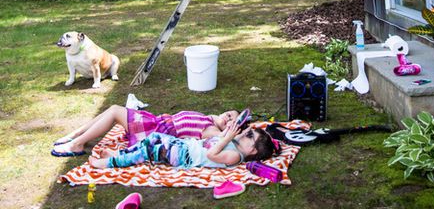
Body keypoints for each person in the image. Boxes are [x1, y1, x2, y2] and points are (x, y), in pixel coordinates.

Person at [51, 105, 240, 156]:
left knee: (115, 111)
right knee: (113, 109)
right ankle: (76, 135)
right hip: (155, 121)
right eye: (230, 114)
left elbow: (222, 138)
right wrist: (223, 119)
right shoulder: (210, 118)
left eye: (231, 121)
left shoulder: (211, 130)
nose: (228, 118)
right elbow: (218, 117)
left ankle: (77, 144)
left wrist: (231, 130)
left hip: (156, 130)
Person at [89, 121, 275, 170]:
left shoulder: (235, 156)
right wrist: (230, 132)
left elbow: (211, 155)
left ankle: (110, 163)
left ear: (251, 150)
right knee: (153, 137)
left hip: (184, 156)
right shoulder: (234, 141)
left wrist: (226, 139)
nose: (243, 133)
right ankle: (120, 154)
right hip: (184, 145)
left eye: (249, 135)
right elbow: (219, 138)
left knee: (148, 151)